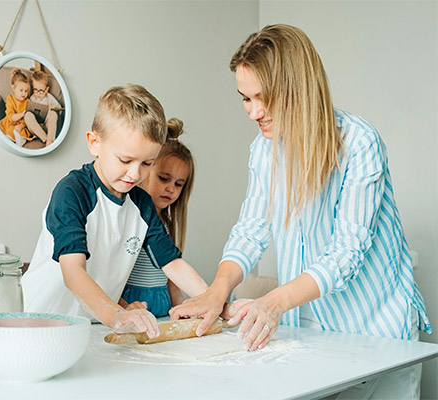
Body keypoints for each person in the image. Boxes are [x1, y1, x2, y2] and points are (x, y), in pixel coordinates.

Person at [170, 24, 431, 398]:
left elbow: (346, 253)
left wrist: (272, 302)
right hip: (311, 328)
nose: (253, 111)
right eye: (245, 98)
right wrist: (217, 290)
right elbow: (251, 230)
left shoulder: (359, 143)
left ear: (298, 88)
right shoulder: (263, 152)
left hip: (378, 329)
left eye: (264, 97)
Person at [22, 84, 208, 338]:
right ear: (94, 143)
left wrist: (214, 302)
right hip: (46, 325)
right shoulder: (72, 192)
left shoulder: (141, 204)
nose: (135, 173)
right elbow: (74, 272)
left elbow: (172, 263)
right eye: (125, 160)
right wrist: (118, 315)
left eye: (147, 163)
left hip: (98, 327)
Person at [119, 117, 195, 317]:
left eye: (179, 184)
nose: (171, 188)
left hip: (162, 303)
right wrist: (123, 306)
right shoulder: (130, 219)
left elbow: (170, 272)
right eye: (164, 179)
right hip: (132, 303)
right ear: (145, 171)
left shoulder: (167, 225)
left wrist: (180, 303)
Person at [24, 71, 62, 147]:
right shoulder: (32, 98)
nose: (38, 93)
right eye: (35, 90)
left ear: (46, 89)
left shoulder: (49, 97)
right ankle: (45, 138)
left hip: (47, 125)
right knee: (27, 115)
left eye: (41, 91)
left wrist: (53, 107)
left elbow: (60, 109)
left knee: (53, 113)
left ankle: (50, 140)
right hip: (36, 128)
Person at [0, 68, 32, 147]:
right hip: (10, 122)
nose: (24, 93)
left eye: (26, 91)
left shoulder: (28, 101)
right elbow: (11, 117)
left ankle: (19, 141)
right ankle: (8, 140)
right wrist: (22, 114)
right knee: (10, 130)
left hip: (22, 125)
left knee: (23, 132)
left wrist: (21, 126)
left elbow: (28, 120)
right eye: (21, 90)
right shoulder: (10, 98)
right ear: (13, 88)